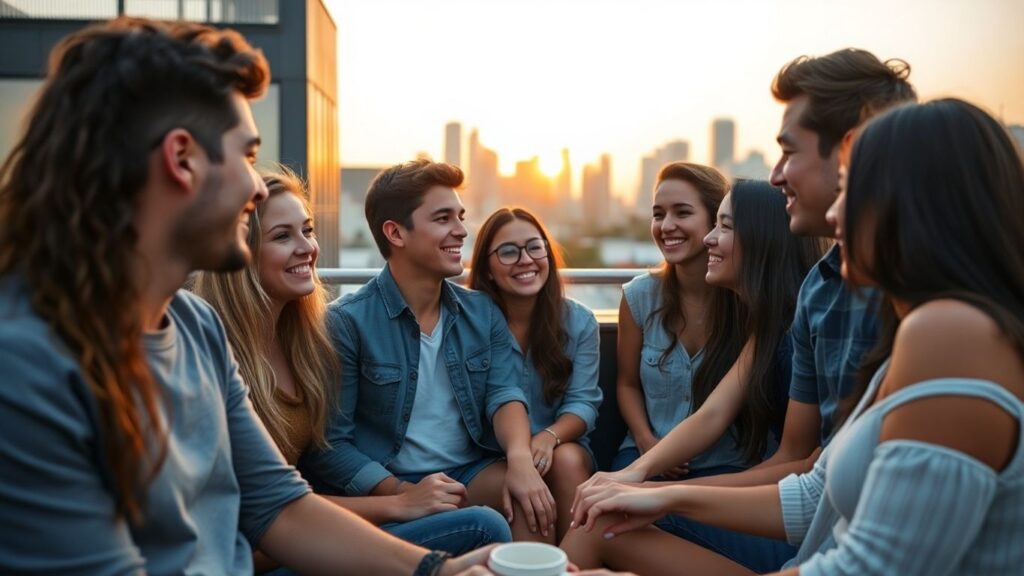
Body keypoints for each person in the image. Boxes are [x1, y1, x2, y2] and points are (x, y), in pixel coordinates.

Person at [0, 17, 495, 575]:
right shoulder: (25, 362)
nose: (256, 187)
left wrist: (442, 571)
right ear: (181, 159)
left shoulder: (195, 326)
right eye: (246, 155)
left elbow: (277, 506)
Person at [569, 97, 1024, 575]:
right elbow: (812, 499)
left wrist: (659, 493)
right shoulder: (910, 333)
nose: (835, 214)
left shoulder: (952, 334)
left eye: (849, 189)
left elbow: (871, 566)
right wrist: (660, 495)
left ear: (908, 206)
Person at [192, 167, 511, 571]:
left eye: (308, 231)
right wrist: (397, 502)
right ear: (240, 253)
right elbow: (263, 510)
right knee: (482, 528)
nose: (307, 247)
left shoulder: (303, 343)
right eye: (282, 236)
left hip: (301, 530)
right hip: (245, 557)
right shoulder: (215, 355)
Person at [563, 181, 825, 573]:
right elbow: (712, 415)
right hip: (779, 513)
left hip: (799, 540)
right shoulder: (769, 324)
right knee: (604, 510)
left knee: (600, 522)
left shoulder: (800, 328)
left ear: (762, 238)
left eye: (724, 226)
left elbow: (798, 464)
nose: (710, 239)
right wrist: (633, 474)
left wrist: (665, 493)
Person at [683, 48, 917, 489]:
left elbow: (820, 480)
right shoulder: (820, 290)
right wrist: (646, 488)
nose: (776, 176)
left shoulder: (935, 312)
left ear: (853, 151)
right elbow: (816, 482)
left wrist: (664, 496)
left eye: (788, 153)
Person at [301, 159, 558, 542]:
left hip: (469, 469)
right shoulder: (347, 323)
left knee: (530, 498)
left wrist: (520, 459)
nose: (461, 230)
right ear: (396, 233)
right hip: (391, 480)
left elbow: (505, 394)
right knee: (485, 522)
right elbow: (330, 445)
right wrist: (402, 493)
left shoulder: (482, 311)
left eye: (460, 217)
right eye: (443, 219)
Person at [467, 207, 603, 541]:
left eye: (534, 247)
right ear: (487, 268)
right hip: (489, 456)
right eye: (508, 252)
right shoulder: (471, 324)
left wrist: (548, 436)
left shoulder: (579, 322)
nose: (525, 260)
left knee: (567, 460)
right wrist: (520, 456)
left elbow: (583, 404)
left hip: (559, 445)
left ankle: (576, 558)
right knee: (520, 484)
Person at [610, 162, 745, 478]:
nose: (666, 226)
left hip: (725, 464)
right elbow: (627, 384)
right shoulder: (638, 297)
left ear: (716, 221)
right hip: (644, 452)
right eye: (658, 215)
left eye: (682, 213)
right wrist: (647, 441)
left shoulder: (745, 300)